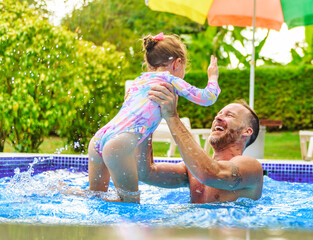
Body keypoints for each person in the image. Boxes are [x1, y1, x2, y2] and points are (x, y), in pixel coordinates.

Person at [87, 32, 221, 202]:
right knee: (130, 204)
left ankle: (61, 190)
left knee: (95, 198)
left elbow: (136, 121)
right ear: (177, 64)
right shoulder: (170, 80)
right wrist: (213, 77)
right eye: (184, 68)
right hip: (117, 146)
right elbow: (207, 97)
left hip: (99, 139)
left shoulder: (138, 82)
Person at [134, 83, 263, 203]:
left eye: (229, 115)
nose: (217, 118)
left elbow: (211, 173)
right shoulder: (192, 170)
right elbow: (145, 173)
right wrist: (146, 121)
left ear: (247, 131)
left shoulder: (251, 167)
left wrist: (172, 117)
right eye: (218, 114)